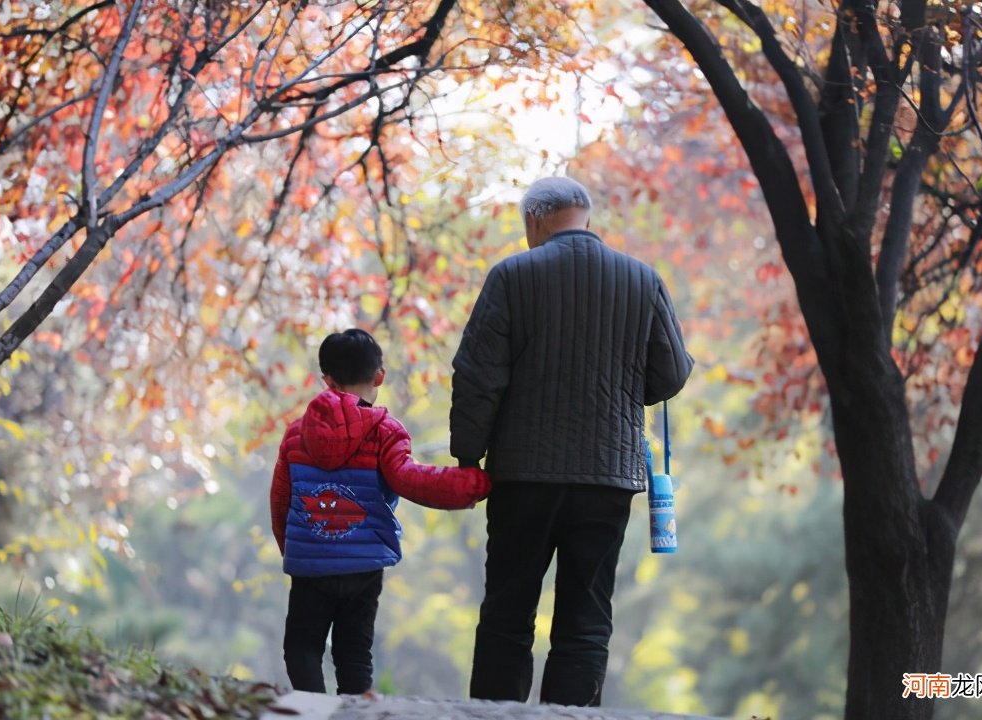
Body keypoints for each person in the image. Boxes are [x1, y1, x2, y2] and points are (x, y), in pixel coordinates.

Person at [450, 176, 694, 706]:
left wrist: (469, 456)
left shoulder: (512, 276)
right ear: (585, 215)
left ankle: (494, 718)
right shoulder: (642, 279)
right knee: (586, 616)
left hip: (522, 475)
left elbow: (477, 376)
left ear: (535, 219)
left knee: (509, 610)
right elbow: (672, 372)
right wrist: (625, 386)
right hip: (607, 478)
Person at [271, 328, 491, 695]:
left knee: (301, 648)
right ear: (379, 376)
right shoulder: (385, 432)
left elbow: (281, 497)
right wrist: (473, 484)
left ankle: (313, 711)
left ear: (326, 379)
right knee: (354, 654)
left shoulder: (297, 434)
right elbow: (410, 479)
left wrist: (293, 549)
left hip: (310, 564)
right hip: (364, 566)